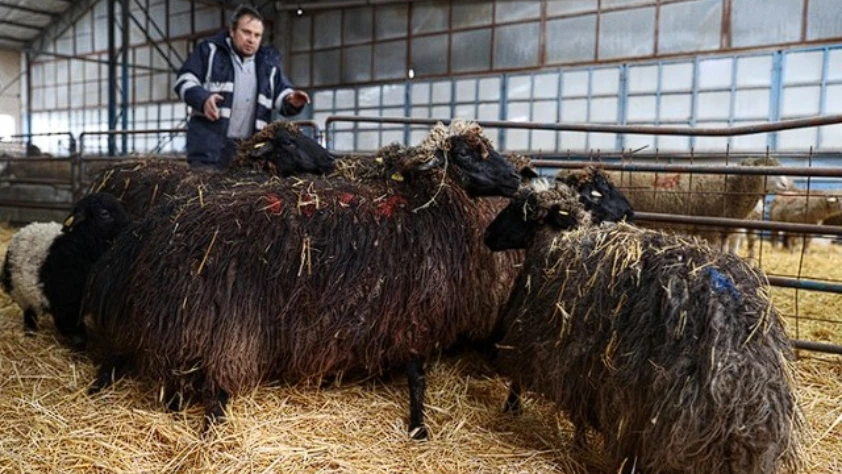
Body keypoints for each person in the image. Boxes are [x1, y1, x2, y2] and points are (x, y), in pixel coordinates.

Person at [174, 4, 310, 171]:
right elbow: (184, 81)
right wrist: (203, 99)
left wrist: (292, 100)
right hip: (209, 152)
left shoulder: (268, 65)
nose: (251, 39)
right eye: (246, 32)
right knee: (206, 195)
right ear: (232, 31)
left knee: (243, 195)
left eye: (257, 35)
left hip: (249, 154)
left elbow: (282, 94)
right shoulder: (209, 51)